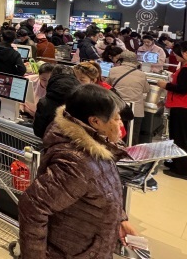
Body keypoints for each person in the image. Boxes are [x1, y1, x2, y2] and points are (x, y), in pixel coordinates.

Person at [19, 85, 137, 258]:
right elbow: (33, 206)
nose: (120, 124)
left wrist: (120, 218)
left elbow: (103, 190)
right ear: (95, 122)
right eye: (116, 118)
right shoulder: (77, 162)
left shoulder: (98, 146)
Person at [157, 41, 187, 180]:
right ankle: (178, 164)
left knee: (181, 139)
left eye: (177, 54)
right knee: (182, 138)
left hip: (185, 107)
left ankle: (183, 171)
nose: (175, 57)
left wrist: (165, 85)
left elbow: (182, 89)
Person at [108, 50, 150, 145]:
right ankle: (131, 152)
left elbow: (108, 85)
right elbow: (146, 89)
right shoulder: (141, 74)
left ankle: (116, 150)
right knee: (133, 136)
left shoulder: (113, 70)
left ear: (121, 60)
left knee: (116, 133)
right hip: (136, 109)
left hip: (118, 107)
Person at [33, 68, 79, 138]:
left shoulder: (45, 102)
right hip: (76, 142)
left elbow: (38, 132)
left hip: (49, 142)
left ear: (52, 78)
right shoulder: (82, 98)